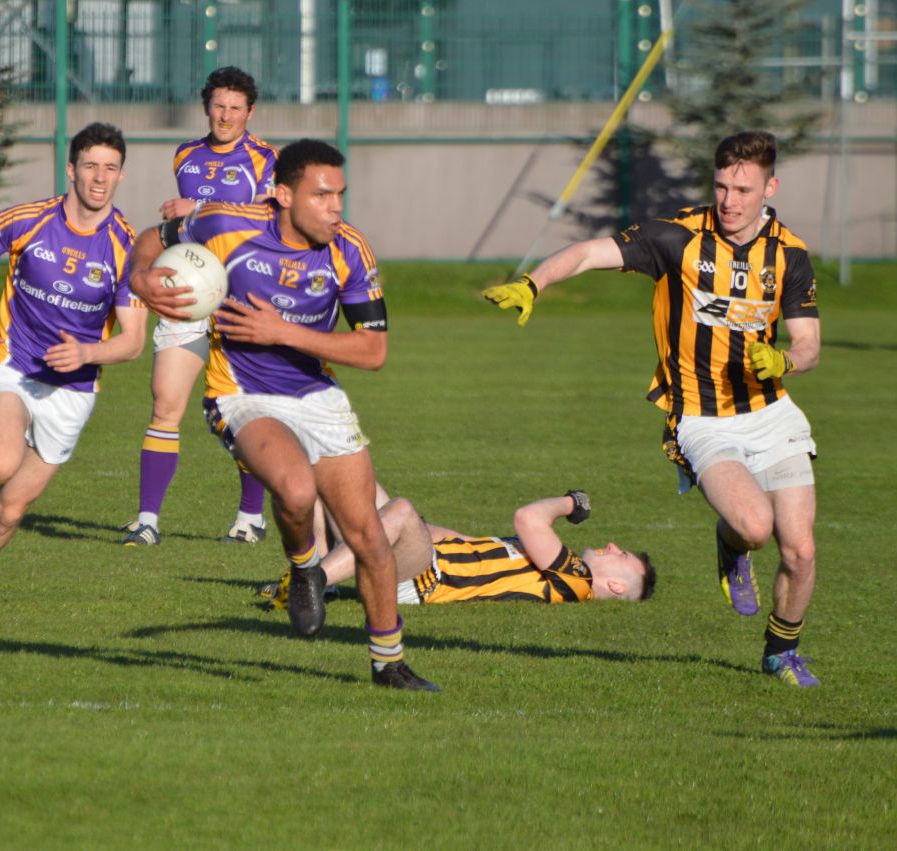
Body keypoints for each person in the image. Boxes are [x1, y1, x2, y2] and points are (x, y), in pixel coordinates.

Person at [483, 130, 821, 686]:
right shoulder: (678, 236)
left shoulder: (789, 254)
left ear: (770, 186)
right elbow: (590, 252)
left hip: (770, 412)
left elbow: (808, 342)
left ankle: (781, 651)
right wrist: (533, 283)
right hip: (702, 417)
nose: (729, 200)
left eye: (743, 188)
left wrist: (785, 361)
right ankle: (732, 543)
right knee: (756, 527)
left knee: (801, 550)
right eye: (721, 186)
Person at [129, 138, 439, 692]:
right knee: (296, 492)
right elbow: (153, 239)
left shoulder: (349, 249)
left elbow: (374, 351)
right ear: (282, 195)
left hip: (317, 394)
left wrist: (284, 332)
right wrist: (140, 278)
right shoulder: (226, 223)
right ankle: (303, 570)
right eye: (322, 196)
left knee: (368, 533)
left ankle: (388, 663)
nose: (335, 207)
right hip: (240, 393)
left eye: (341, 195)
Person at [0, 122, 147, 619]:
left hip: (73, 390)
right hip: (13, 367)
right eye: (89, 166)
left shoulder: (127, 247)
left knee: (11, 511)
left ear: (121, 176)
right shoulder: (29, 219)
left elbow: (132, 342)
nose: (99, 178)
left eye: (110, 168)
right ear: (71, 169)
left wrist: (86, 354)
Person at [122, 66, 280, 547]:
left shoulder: (266, 159)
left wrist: (199, 210)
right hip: (187, 292)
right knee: (165, 403)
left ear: (250, 112)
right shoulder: (186, 155)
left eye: (236, 108)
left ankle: (249, 518)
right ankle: (147, 521)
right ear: (206, 107)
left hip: (241, 298)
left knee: (245, 413)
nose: (226, 115)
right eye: (219, 106)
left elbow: (274, 220)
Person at [260, 491, 656, 609]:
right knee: (334, 476)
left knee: (400, 510)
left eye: (620, 557)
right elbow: (463, 542)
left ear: (616, 587)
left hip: (424, 580)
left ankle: (306, 584)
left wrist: (574, 502)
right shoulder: (553, 568)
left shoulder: (577, 580)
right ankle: (320, 585)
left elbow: (528, 518)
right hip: (423, 561)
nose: (612, 546)